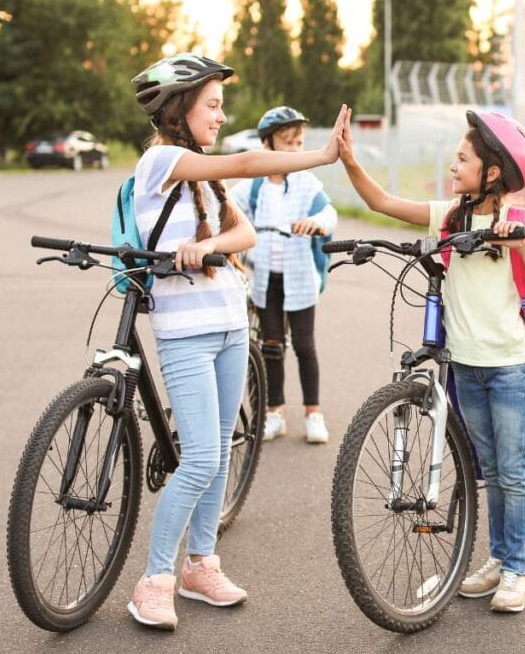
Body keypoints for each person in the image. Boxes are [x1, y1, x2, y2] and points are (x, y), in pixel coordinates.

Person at [126, 52, 346, 630]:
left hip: (227, 322)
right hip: (186, 332)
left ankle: (202, 565)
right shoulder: (162, 161)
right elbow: (249, 162)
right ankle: (155, 579)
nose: (222, 116)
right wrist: (322, 154)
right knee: (198, 459)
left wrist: (216, 247)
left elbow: (243, 230)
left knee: (220, 449)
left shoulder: (200, 175)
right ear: (179, 110)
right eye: (213, 105)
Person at [336, 107, 525, 613]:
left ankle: (516, 569)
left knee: (512, 470)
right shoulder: (451, 216)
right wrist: (348, 159)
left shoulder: (520, 221)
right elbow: (382, 201)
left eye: (462, 159)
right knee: (490, 472)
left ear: (492, 171)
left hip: (507, 365)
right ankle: (499, 560)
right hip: (465, 365)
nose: (453, 165)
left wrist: (521, 247)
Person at [231, 106, 337, 444]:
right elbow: (226, 208)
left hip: (299, 278)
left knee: (305, 346)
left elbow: (329, 212)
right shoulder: (253, 187)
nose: (294, 150)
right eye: (287, 143)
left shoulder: (307, 183)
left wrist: (318, 223)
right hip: (265, 280)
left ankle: (313, 413)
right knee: (271, 345)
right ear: (268, 146)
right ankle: (274, 412)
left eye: (299, 143)